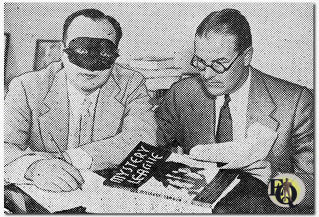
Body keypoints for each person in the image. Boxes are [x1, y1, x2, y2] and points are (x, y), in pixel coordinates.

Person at [155, 9, 313, 213]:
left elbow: (314, 189)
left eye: (220, 64)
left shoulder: (295, 102)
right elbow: (148, 146)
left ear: (247, 56)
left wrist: (272, 180)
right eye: (200, 62)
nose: (207, 74)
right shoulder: (182, 94)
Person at [5, 9, 156, 193]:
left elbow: (143, 140)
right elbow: (4, 145)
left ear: (116, 54)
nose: (89, 67)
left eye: (103, 54)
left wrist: (72, 158)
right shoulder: (27, 86)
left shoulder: (131, 83)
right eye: (81, 50)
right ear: (62, 51)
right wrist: (33, 167)